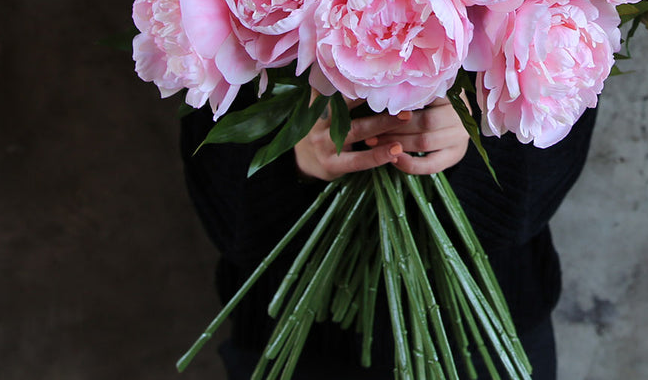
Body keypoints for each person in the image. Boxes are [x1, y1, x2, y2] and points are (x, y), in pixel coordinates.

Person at [180, 96, 596, 380]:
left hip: (484, 336)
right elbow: (218, 194)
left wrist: (479, 125)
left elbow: (566, 106)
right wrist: (292, 152)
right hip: (292, 343)